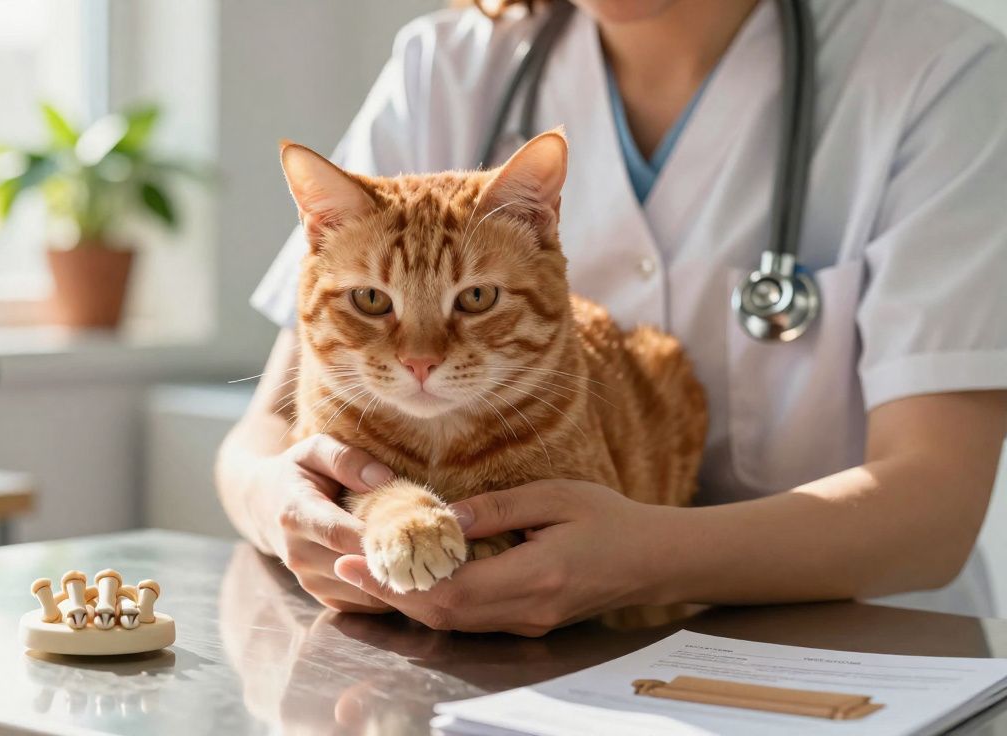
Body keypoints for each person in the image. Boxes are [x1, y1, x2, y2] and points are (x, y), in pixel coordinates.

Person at [216, 0, 1007, 634]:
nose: (420, 350)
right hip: (499, 677)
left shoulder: (941, 73)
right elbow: (263, 433)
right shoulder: (445, 64)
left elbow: (935, 508)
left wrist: (645, 556)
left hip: (860, 649)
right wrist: (277, 508)